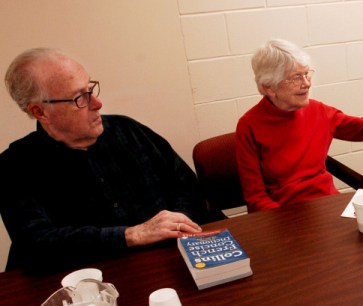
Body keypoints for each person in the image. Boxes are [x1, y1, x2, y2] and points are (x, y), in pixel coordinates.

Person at [0, 48, 213, 273]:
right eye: (79, 98)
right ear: (40, 112)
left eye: (90, 89)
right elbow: (38, 243)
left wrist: (179, 222)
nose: (98, 103)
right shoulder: (14, 166)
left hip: (169, 263)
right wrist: (131, 235)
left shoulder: (129, 131)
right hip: (87, 284)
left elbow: (186, 185)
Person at [236, 39, 363, 211]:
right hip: (281, 217)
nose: (306, 84)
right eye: (296, 78)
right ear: (268, 86)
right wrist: (289, 224)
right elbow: (256, 198)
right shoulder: (249, 126)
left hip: (327, 209)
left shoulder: (319, 111)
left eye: (306, 74)